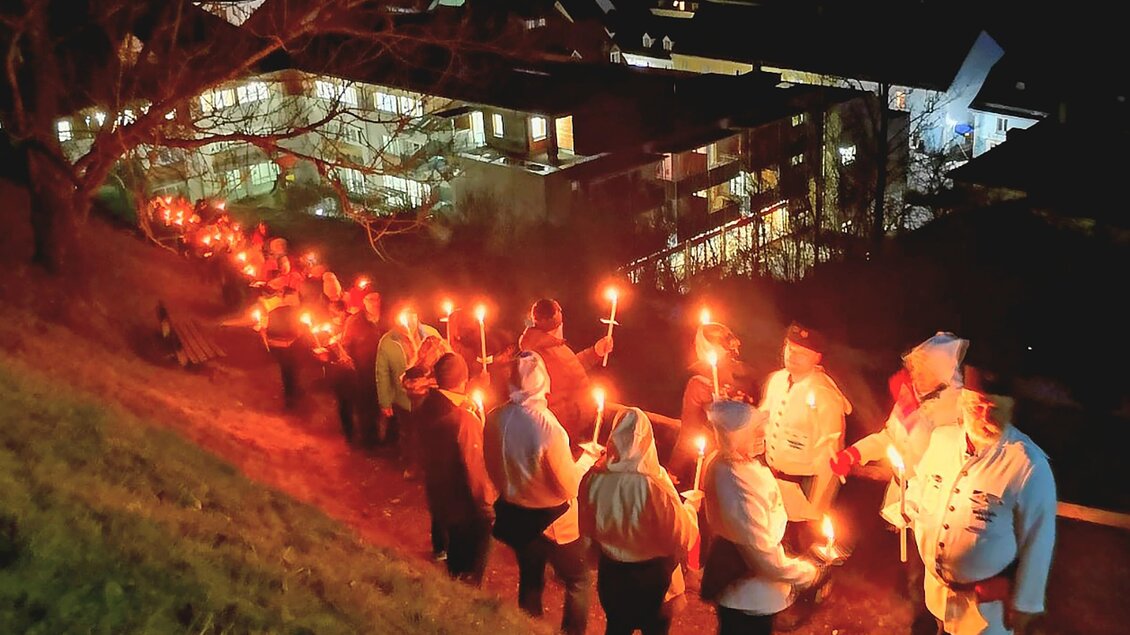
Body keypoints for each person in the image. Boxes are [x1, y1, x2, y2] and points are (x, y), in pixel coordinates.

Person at [830, 332, 969, 632]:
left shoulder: (956, 409)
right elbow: (890, 438)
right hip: (905, 497)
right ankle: (922, 613)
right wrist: (856, 453)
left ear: (940, 372)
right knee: (914, 570)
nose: (913, 373)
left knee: (929, 570)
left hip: (934, 505)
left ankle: (932, 624)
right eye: (914, 367)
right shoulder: (912, 397)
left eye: (921, 369)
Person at [907, 366, 1056, 635]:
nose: (985, 416)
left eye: (995, 408)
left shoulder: (1027, 465)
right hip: (938, 593)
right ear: (963, 400)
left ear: (1011, 408)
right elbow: (921, 486)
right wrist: (910, 509)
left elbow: (1039, 542)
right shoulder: (942, 440)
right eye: (977, 406)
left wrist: (1022, 605)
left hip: (987, 609)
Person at [483, 351, 600, 635]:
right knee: (578, 579)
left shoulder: (495, 416)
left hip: (516, 514)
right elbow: (568, 485)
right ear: (543, 382)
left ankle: (527, 628)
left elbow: (492, 464)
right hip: (553, 523)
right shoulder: (548, 428)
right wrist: (588, 459)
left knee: (531, 577)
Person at [700, 400, 822, 635]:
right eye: (753, 430)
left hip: (749, 592)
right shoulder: (735, 483)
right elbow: (761, 555)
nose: (763, 433)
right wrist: (805, 573)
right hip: (748, 595)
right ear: (734, 437)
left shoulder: (733, 464)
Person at [579, 407, 701, 635]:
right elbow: (681, 536)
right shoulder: (656, 486)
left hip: (612, 571)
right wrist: (691, 509)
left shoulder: (594, 478)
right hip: (650, 577)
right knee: (654, 627)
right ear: (648, 442)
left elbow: (586, 525)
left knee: (616, 625)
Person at [760, 323, 852, 536]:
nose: (792, 355)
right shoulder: (777, 380)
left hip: (800, 495)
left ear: (817, 358)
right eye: (790, 348)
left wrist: (816, 509)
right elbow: (762, 420)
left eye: (802, 352)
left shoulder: (824, 395)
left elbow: (830, 456)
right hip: (770, 487)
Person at [415, 353, 497, 585]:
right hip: (465, 506)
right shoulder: (463, 420)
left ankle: (453, 589)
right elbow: (474, 467)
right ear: (463, 379)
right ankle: (467, 604)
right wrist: (487, 504)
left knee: (454, 560)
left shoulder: (426, 404)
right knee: (469, 568)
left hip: (439, 494)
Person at [518, 298, 614, 445]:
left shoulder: (552, 346)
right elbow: (556, 395)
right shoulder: (537, 354)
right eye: (559, 312)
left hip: (572, 428)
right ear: (554, 319)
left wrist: (595, 352)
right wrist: (569, 433)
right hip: (565, 433)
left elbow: (569, 369)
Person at [670, 321, 745, 487]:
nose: (694, 345)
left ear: (705, 349)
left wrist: (674, 470)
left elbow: (689, 431)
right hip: (745, 469)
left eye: (697, 343)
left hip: (712, 464)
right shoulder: (747, 374)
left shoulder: (699, 384)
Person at [376, 308, 442, 446]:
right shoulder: (388, 341)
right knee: (408, 434)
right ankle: (410, 463)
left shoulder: (430, 333)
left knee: (429, 433)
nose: (410, 320)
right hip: (404, 399)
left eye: (412, 315)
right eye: (405, 316)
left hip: (430, 396)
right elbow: (382, 373)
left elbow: (444, 357)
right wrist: (385, 402)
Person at [341, 292, 384, 446]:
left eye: (377, 299)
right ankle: (368, 440)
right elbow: (346, 344)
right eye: (370, 299)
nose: (375, 303)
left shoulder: (385, 318)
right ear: (364, 301)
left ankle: (382, 438)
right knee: (366, 405)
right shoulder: (354, 321)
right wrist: (350, 361)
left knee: (381, 404)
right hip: (363, 369)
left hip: (383, 368)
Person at [263, 289, 305, 411]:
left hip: (278, 346)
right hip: (290, 346)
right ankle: (291, 399)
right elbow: (297, 331)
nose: (297, 300)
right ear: (289, 299)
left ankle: (291, 396)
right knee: (291, 372)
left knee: (287, 372)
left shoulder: (272, 310)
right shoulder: (293, 312)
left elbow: (267, 329)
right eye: (295, 297)